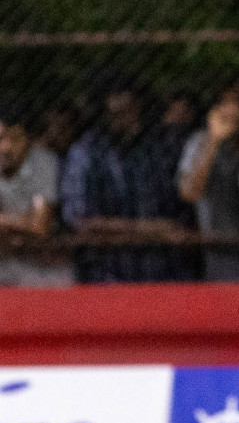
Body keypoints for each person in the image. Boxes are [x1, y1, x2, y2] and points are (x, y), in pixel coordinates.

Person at [61, 85, 195, 283]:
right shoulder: (86, 152)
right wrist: (150, 230)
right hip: (105, 273)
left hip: (160, 272)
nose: (127, 122)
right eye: (116, 115)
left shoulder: (160, 148)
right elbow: (79, 219)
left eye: (131, 112)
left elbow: (183, 210)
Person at [179, 82, 239, 281]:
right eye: (226, 103)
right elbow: (189, 191)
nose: (233, 110)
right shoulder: (199, 142)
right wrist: (214, 141)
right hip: (217, 256)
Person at [0, 111, 73, 288]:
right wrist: (21, 223)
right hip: (6, 265)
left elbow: (38, 226)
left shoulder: (44, 163)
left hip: (46, 271)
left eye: (14, 139)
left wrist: (6, 223)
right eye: (1, 138)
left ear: (28, 139)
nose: (6, 147)